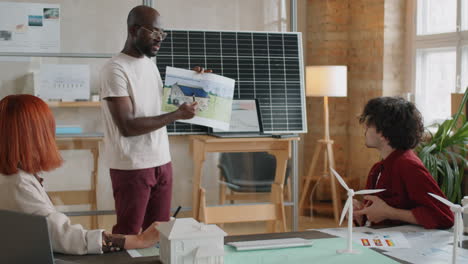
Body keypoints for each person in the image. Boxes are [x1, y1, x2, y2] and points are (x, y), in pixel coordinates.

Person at [0, 94, 160, 255]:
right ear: (35, 135)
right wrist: (139, 240)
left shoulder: (16, 178)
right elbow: (64, 237)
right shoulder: (18, 184)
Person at [100, 5, 210, 235]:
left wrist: (196, 82)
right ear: (134, 30)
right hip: (132, 165)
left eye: (163, 33)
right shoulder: (114, 69)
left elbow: (162, 107)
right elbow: (128, 126)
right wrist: (177, 114)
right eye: (154, 32)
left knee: (159, 234)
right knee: (128, 235)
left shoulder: (150, 65)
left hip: (161, 160)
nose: (160, 39)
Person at [353, 96, 454, 229]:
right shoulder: (378, 169)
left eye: (369, 124)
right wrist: (360, 214)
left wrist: (390, 213)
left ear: (383, 133)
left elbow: (445, 217)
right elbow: (374, 220)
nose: (364, 129)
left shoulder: (408, 165)